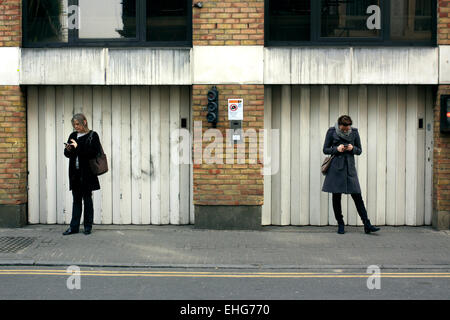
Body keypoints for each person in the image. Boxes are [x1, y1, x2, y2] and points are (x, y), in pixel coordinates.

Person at [322, 115, 380, 235]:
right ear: (339, 125)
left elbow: (359, 151)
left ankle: (367, 224)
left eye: (347, 128)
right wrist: (336, 149)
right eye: (343, 129)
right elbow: (325, 149)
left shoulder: (354, 132)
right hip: (336, 169)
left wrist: (353, 148)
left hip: (350, 169)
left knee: (358, 197)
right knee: (336, 197)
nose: (345, 131)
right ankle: (340, 224)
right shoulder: (331, 131)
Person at [63, 113, 101, 236]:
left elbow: (93, 153)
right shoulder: (73, 135)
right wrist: (68, 149)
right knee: (76, 200)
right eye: (74, 125)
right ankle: (73, 227)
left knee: (87, 200)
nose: (76, 127)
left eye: (78, 124)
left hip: (87, 174)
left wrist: (78, 146)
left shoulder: (92, 135)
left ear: (84, 122)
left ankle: (87, 227)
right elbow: (67, 155)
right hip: (75, 174)